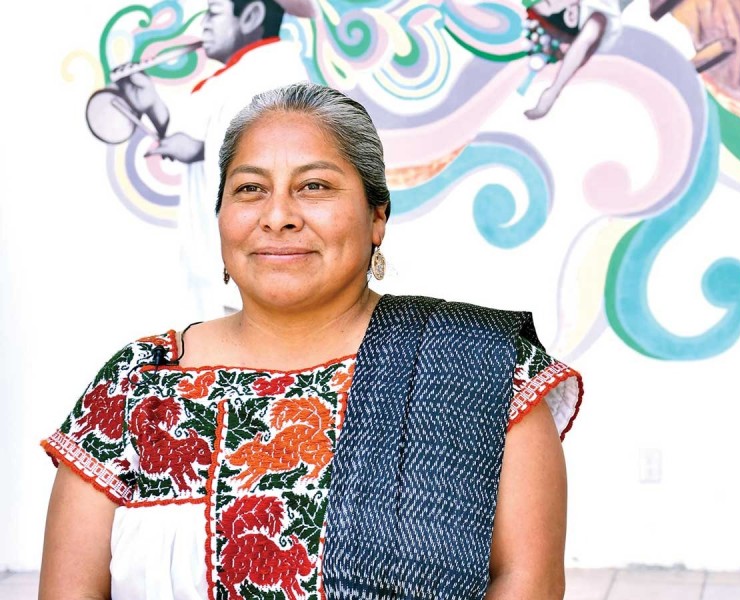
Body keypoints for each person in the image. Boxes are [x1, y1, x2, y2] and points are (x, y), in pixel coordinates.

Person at [40, 82, 583, 600]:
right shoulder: (138, 383)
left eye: (314, 186)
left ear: (377, 216)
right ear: (221, 218)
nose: (277, 216)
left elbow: (526, 581)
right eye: (250, 189)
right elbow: (72, 588)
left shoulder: (478, 366)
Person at [113, 0, 316, 320]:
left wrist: (189, 142)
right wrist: (151, 104)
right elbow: (199, 145)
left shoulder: (270, 71)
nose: (204, 24)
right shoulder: (246, 72)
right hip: (224, 270)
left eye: (214, 12)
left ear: (251, 16)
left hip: (249, 271)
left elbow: (246, 157)